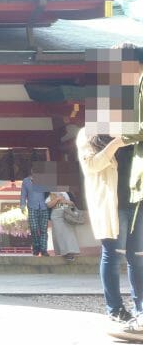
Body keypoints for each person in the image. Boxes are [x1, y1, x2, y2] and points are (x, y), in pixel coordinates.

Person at [76, 129, 140, 322]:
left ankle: (141, 308)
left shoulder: (135, 130)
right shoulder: (88, 133)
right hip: (112, 205)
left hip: (137, 203)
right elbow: (92, 165)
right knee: (113, 256)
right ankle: (115, 309)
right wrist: (117, 143)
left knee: (138, 258)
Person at [20, 170, 50, 256]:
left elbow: (49, 192)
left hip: (44, 207)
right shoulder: (26, 181)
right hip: (32, 207)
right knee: (34, 228)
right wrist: (22, 206)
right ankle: (36, 247)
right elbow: (23, 194)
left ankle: (44, 250)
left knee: (43, 230)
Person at [45, 191, 80, 261]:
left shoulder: (68, 193)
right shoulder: (51, 194)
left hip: (67, 215)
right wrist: (58, 199)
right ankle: (64, 252)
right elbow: (48, 205)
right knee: (60, 235)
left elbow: (73, 204)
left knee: (69, 234)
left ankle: (70, 252)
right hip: (56, 216)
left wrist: (66, 202)